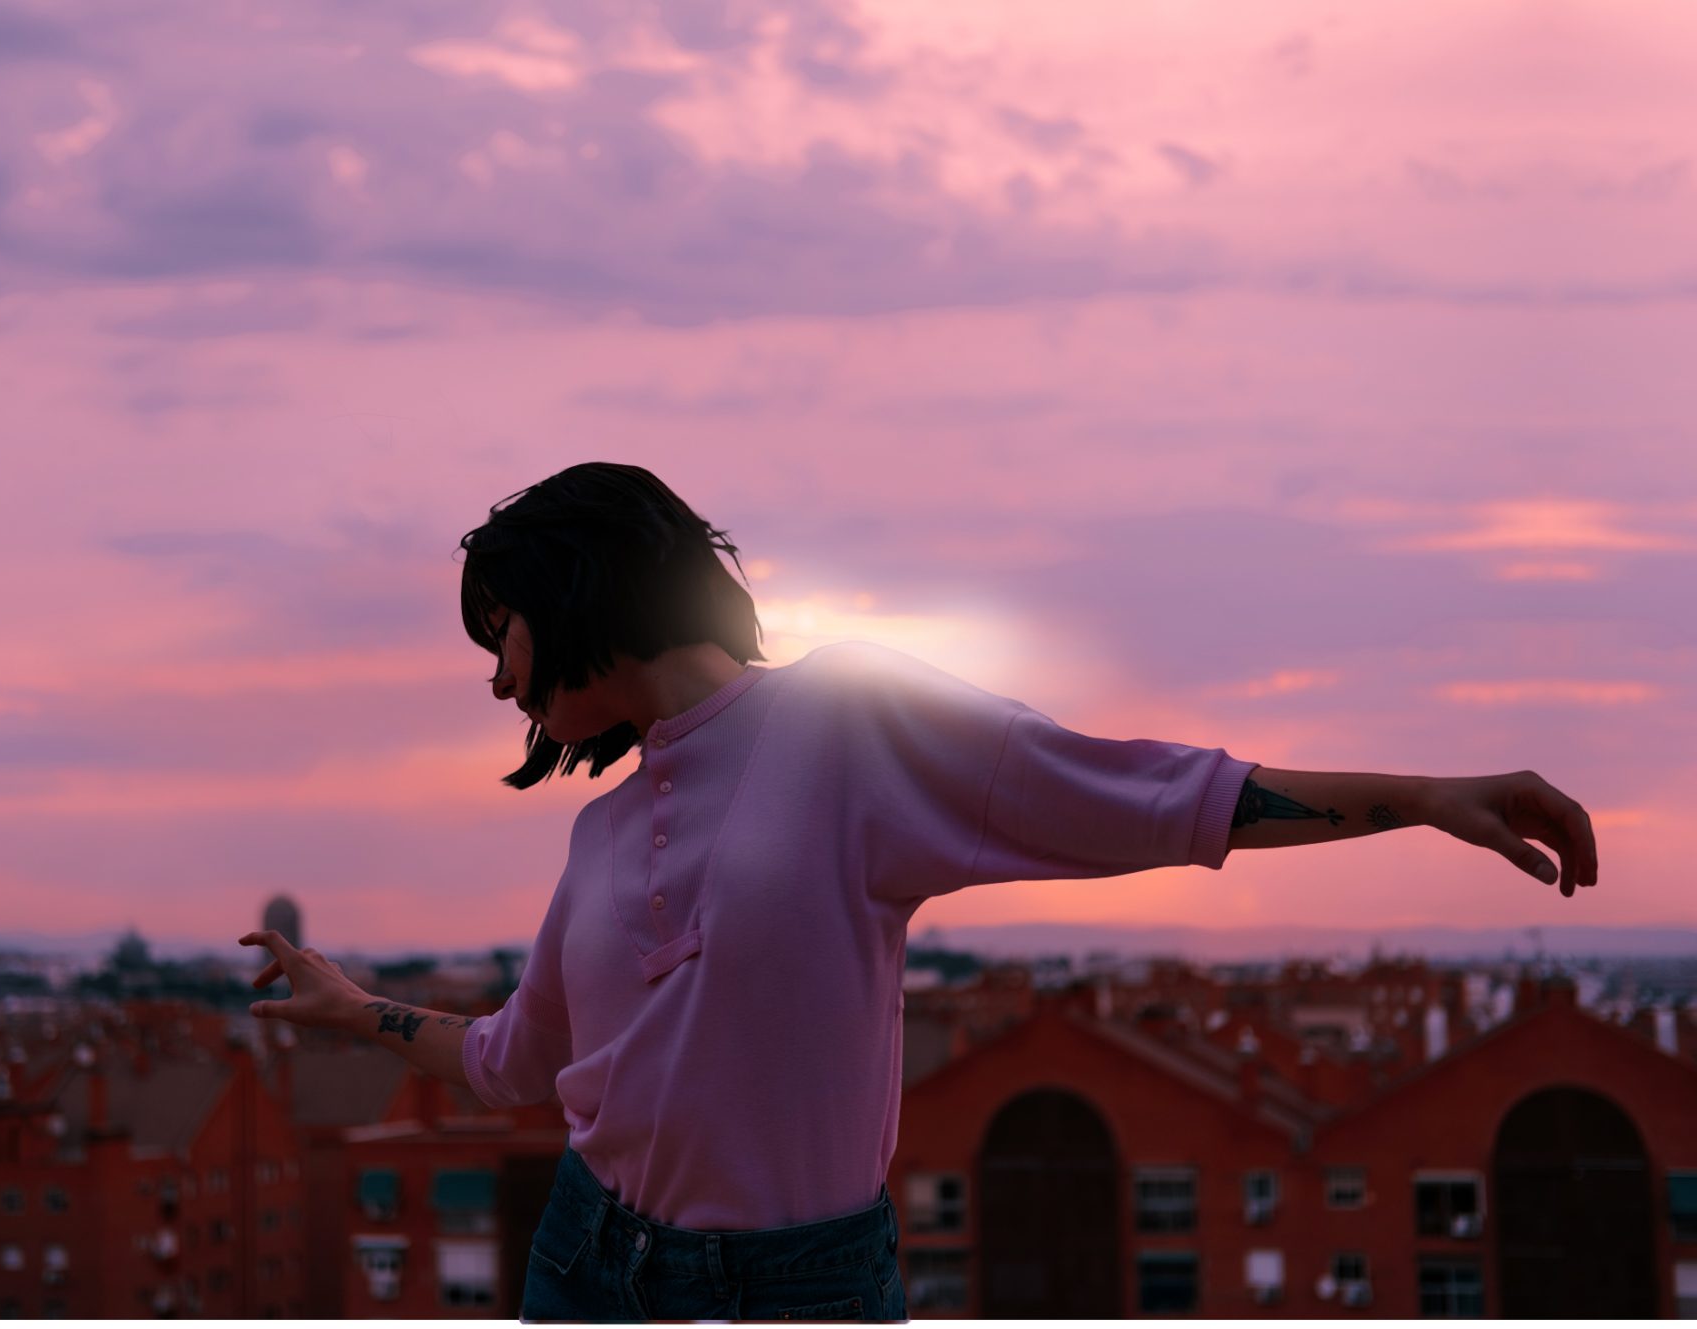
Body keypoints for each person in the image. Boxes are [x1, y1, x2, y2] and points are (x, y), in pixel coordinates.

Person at [239, 462, 1599, 1323]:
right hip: (589, 1271)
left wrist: (1422, 796)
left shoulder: (847, 721)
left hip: (805, 1290)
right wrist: (353, 1007)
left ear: (575, 588)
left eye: (502, 633)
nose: (494, 678)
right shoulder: (595, 840)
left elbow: (1146, 792)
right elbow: (510, 1062)